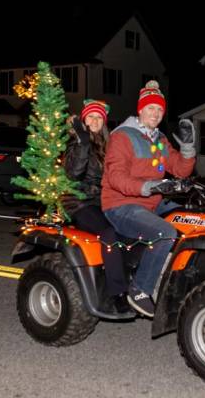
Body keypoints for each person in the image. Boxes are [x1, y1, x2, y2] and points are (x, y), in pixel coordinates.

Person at [102, 80, 196, 317]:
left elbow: (180, 169)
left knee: (195, 222)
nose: (155, 113)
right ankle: (140, 288)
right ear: (140, 110)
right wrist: (147, 187)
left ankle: (177, 281)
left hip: (152, 203)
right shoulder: (122, 137)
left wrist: (187, 150)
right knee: (166, 233)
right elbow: (115, 177)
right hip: (121, 205)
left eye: (160, 109)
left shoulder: (160, 139)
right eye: (151, 108)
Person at [62, 99, 131, 314]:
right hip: (80, 203)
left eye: (99, 117)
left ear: (104, 122)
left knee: (133, 227)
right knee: (109, 234)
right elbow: (74, 174)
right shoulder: (76, 144)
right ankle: (117, 293)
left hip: (105, 202)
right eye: (91, 116)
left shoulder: (109, 146)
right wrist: (82, 141)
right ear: (83, 120)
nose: (95, 120)